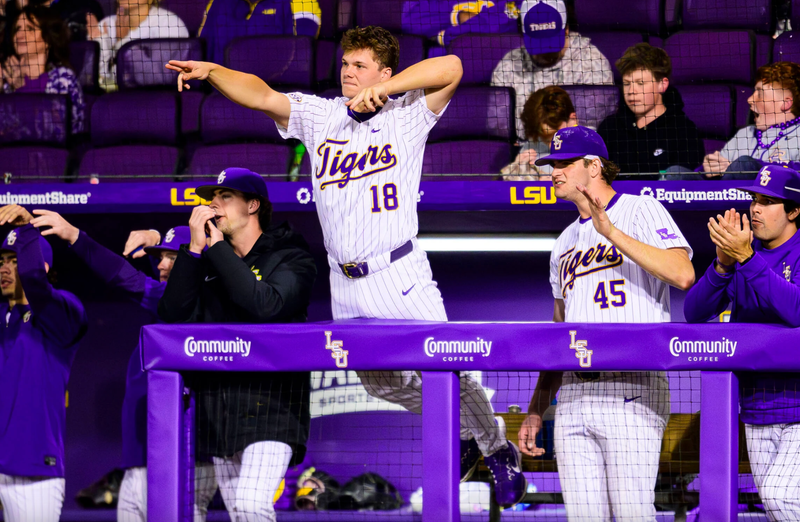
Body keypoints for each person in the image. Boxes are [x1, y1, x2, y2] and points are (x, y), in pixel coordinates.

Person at [165, 25, 527, 507]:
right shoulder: (322, 116)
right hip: (346, 281)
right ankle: (465, 427)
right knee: (382, 382)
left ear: (383, 71)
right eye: (345, 64)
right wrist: (213, 71)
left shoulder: (406, 116)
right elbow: (262, 95)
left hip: (399, 270)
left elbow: (453, 68)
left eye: (360, 66)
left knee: (449, 369)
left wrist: (387, 90)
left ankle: (496, 446)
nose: (349, 72)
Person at [517, 126, 695, 520]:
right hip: (574, 397)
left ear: (593, 166)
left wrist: (611, 232)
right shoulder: (563, 242)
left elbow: (683, 273)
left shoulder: (640, 208)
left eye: (564, 163)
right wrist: (535, 408)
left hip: (631, 386)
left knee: (632, 514)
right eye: (552, 164)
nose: (555, 172)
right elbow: (559, 330)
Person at [28, 211, 221, 521]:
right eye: (160, 257)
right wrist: (158, 240)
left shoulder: (203, 303)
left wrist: (76, 236)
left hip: (181, 461)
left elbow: (123, 276)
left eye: (170, 258)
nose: (159, 263)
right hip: (141, 462)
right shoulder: (169, 299)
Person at [158, 168, 317, 522]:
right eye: (211, 198)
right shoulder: (208, 258)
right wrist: (194, 251)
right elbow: (171, 317)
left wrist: (216, 249)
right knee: (241, 514)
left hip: (272, 409)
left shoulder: (291, 256)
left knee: (249, 504)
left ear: (253, 205)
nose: (213, 204)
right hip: (218, 412)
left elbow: (266, 305)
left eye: (225, 196)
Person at [684, 164, 800, 521]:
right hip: (755, 407)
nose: (756, 208)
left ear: (794, 210)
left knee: (783, 500)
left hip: (798, 407)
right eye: (754, 199)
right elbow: (694, 311)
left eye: (768, 201)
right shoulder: (743, 257)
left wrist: (746, 259)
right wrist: (721, 264)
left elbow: (796, 311)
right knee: (776, 510)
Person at [0, 204, 88, 522]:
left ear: (42, 264)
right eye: (2, 261)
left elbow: (36, 283)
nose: (6, 268)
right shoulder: (2, 316)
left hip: (34, 471)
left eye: (15, 259)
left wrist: (27, 230)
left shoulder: (62, 313)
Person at [491, 0, 612, 138]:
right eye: (538, 42)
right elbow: (498, 125)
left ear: (566, 29)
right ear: (523, 35)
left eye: (550, 41)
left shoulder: (590, 61)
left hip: (576, 147)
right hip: (526, 149)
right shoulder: (509, 65)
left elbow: (596, 123)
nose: (545, 50)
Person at [597, 43, 704, 179]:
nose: (631, 91)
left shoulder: (684, 132)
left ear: (662, 85)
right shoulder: (609, 129)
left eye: (640, 83)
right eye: (627, 83)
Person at [701, 62, 800, 180]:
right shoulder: (745, 134)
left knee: (744, 164)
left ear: (785, 103)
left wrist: (748, 168)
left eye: (760, 93)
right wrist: (708, 168)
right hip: (721, 194)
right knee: (677, 172)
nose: (749, 99)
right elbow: (719, 168)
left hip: (776, 197)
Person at [1, 5, 84, 133]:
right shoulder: (9, 81)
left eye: (30, 29)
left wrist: (21, 89)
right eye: (17, 29)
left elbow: (51, 130)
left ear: (47, 40)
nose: (19, 35)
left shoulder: (63, 78)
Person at [88, 0, 188, 91]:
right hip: (110, 101)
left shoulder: (169, 23)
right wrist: (102, 46)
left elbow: (156, 80)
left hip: (151, 101)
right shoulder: (106, 24)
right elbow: (89, 79)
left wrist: (122, 42)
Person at [198, 0, 322, 65]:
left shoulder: (303, 3)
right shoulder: (218, 3)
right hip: (223, 92)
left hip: (274, 92)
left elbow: (301, 57)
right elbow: (202, 52)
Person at [500, 85, 577, 181]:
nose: (551, 146)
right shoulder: (531, 147)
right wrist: (518, 169)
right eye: (545, 139)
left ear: (573, 120)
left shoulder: (592, 143)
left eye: (556, 136)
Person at [401, 0, 519, 49]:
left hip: (501, 55)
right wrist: (457, 16)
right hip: (446, 62)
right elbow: (410, 22)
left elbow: (518, 15)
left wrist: (453, 32)